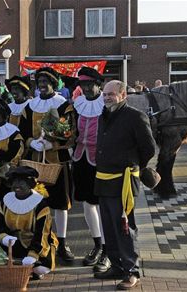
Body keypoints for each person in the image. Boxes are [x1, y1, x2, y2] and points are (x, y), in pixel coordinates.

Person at [93, 80, 156, 290]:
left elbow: (149, 148)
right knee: (108, 227)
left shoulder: (135, 116)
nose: (107, 97)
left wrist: (133, 165)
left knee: (124, 227)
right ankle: (117, 266)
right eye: (105, 94)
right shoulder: (104, 115)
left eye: (111, 94)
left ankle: (131, 271)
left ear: (123, 95)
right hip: (103, 180)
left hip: (123, 182)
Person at [17, 67, 75, 263]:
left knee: (60, 203)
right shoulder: (29, 107)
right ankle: (39, 241)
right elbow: (21, 132)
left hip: (57, 161)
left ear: (53, 84)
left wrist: (54, 143)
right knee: (37, 203)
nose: (42, 85)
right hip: (35, 161)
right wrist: (30, 142)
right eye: (39, 82)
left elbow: (70, 132)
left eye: (45, 82)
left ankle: (63, 241)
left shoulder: (63, 105)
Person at [71, 67, 110, 272]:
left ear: (98, 85)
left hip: (102, 160)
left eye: (89, 84)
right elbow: (70, 130)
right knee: (87, 202)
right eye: (82, 85)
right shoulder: (77, 104)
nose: (85, 88)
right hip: (80, 158)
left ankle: (108, 249)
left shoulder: (108, 104)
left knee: (103, 203)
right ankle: (97, 244)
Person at [0, 166, 58, 280]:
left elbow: (42, 233)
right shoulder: (5, 201)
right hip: (11, 243)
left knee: (40, 268)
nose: (17, 185)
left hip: (35, 243)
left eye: (21, 182)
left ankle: (34, 270)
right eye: (15, 181)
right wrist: (3, 237)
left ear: (29, 184)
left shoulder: (40, 204)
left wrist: (33, 254)